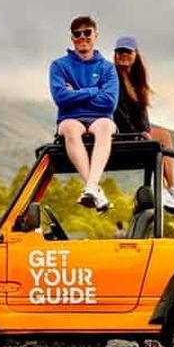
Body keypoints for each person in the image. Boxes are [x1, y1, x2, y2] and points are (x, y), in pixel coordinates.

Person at [112, 36, 174, 214]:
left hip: (132, 132)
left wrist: (144, 131)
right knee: (157, 141)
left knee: (162, 136)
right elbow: (117, 112)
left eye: (127, 52)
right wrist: (137, 134)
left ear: (135, 54)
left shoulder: (136, 81)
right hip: (118, 132)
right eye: (119, 52)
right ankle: (167, 188)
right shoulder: (113, 78)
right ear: (115, 55)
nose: (123, 55)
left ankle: (170, 187)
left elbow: (141, 114)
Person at [50, 15, 119, 211]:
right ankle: (93, 187)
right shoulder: (59, 65)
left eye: (87, 32)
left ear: (95, 35)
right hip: (69, 119)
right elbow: (60, 98)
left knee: (105, 126)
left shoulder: (107, 68)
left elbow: (109, 103)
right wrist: (93, 90)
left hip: (100, 119)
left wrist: (75, 93)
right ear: (72, 38)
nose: (82, 37)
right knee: (71, 128)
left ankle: (90, 186)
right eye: (77, 33)